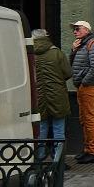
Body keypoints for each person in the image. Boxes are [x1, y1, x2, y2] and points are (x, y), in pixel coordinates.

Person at [69, 20, 94, 164]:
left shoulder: (93, 44)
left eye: (77, 29)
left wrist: (84, 82)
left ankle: (93, 152)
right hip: (82, 85)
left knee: (89, 119)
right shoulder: (82, 45)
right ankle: (87, 149)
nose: (75, 32)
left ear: (86, 30)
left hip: (88, 86)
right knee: (84, 119)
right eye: (74, 29)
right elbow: (72, 64)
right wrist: (73, 50)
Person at [30, 28, 69, 163]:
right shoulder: (56, 53)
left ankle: (39, 159)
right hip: (57, 95)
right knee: (58, 129)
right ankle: (58, 161)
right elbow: (68, 73)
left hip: (38, 96)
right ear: (46, 36)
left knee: (41, 129)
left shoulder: (30, 54)